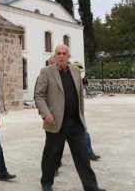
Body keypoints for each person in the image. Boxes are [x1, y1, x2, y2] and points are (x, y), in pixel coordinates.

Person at [35, 45, 105, 191]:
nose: (61, 56)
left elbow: (79, 95)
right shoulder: (46, 72)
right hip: (55, 122)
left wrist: (81, 115)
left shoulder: (75, 70)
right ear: (54, 56)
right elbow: (39, 95)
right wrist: (46, 113)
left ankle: (91, 187)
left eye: (64, 53)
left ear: (69, 56)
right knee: (51, 156)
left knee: (83, 157)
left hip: (75, 123)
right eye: (58, 53)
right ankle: (46, 184)